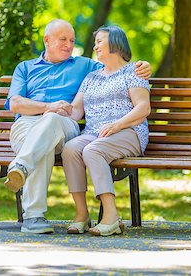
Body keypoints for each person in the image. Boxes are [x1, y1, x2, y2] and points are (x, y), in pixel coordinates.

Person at [4, 19, 151, 234]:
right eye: (63, 39)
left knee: (53, 124)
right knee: (58, 143)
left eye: (72, 40)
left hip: (81, 127)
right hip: (33, 125)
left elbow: (119, 66)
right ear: (47, 40)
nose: (70, 44)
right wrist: (51, 107)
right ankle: (80, 214)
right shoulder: (27, 68)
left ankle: (23, 171)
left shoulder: (89, 66)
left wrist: (144, 65)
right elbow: (17, 104)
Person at [59, 25, 150, 236]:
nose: (95, 45)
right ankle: (82, 214)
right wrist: (55, 111)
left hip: (130, 131)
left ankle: (110, 216)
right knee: (70, 149)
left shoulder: (133, 71)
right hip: (95, 133)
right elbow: (75, 112)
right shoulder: (91, 77)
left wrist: (117, 124)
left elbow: (143, 108)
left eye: (100, 41)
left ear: (116, 42)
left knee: (93, 150)